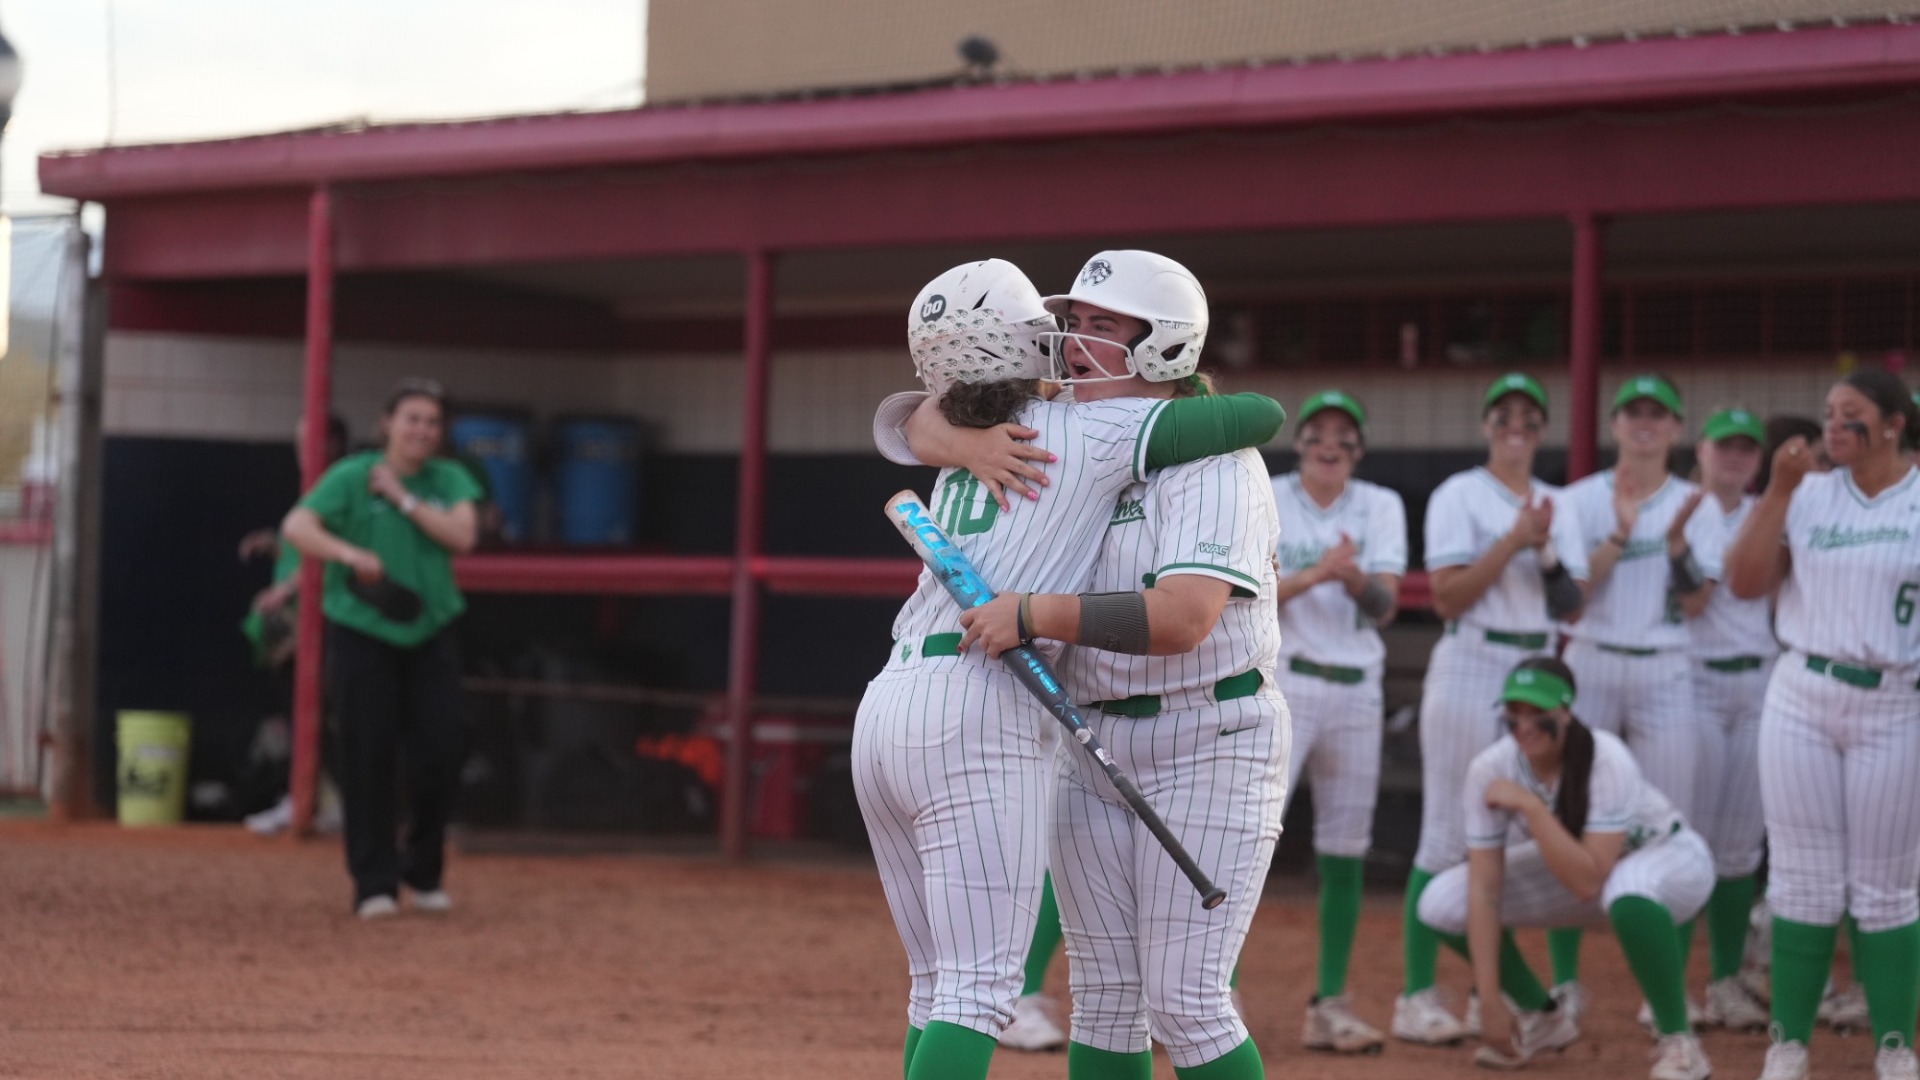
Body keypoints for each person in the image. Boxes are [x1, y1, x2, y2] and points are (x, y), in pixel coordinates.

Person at [861, 255, 1285, 1080]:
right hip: (1085, 731)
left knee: (1187, 1001)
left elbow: (1187, 619)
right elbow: (912, 423)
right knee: (1103, 992)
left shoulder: (1212, 461)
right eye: (1075, 322)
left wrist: (1035, 611)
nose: (1075, 341)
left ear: (1162, 346)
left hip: (1210, 733)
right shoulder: (1051, 418)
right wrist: (962, 436)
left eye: (1103, 325)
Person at [1724, 369, 1920, 1080]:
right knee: (1802, 884)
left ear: (1894, 424)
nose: (1832, 426)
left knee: (1886, 888)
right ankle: (1789, 1047)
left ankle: (1895, 1048)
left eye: (1851, 415)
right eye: (1829, 413)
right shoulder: (1805, 494)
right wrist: (1776, 491)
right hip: (1802, 689)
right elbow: (1744, 582)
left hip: (1896, 697)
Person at [1398, 372, 1589, 1045]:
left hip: (1534, 667)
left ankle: (1490, 991)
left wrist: (1543, 546)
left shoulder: (1559, 502)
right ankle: (1416, 994)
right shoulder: (1459, 494)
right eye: (1504, 415)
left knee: (1508, 840)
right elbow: (1448, 598)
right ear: (1487, 426)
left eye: (1529, 418)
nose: (1517, 426)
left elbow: (1573, 605)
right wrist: (1512, 540)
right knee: (1446, 835)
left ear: (1542, 431)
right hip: (1471, 658)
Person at [1417, 657, 1717, 1080]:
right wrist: (1489, 998)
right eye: (1515, 713)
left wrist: (1532, 806)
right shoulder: (1490, 767)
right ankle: (1544, 1019)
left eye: (1538, 713)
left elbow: (1586, 881)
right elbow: (1484, 889)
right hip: (1591, 869)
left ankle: (1680, 1043)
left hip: (1669, 859)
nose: (1525, 725)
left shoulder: (1606, 756)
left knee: (1628, 891)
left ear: (1567, 710)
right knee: (1441, 902)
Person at [281, 378, 482, 919]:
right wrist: (347, 554)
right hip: (363, 632)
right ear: (387, 424)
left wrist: (402, 498)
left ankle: (424, 868)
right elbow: (298, 525)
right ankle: (374, 882)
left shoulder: (449, 479)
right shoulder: (349, 476)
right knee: (365, 755)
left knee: (441, 750)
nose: (421, 430)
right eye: (412, 418)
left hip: (431, 630)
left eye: (432, 422)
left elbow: (463, 536)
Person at [1553, 374, 1707, 1014]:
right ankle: (1565, 980)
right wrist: (1619, 533)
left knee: (1673, 819)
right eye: (1633, 413)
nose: (1645, 424)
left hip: (1667, 664)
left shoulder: (1697, 500)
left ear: (1675, 428)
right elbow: (1574, 604)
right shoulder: (1579, 500)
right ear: (1614, 425)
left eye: (1658, 414)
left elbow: (1699, 601)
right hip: (1592, 660)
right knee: (1571, 813)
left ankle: (1662, 992)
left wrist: (1673, 546)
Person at [1265, 388, 1406, 1052]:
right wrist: (1320, 571)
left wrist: (1348, 578)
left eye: (1343, 437)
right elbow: (1251, 591)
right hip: (1287, 678)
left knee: (1346, 851)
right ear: (1301, 444)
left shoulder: (1380, 505)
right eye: (1318, 432)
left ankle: (1331, 1003)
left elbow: (1384, 605)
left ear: (1357, 450)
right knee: (1251, 841)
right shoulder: (1269, 492)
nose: (1329, 444)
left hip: (1357, 687)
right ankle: (1214, 993)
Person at [1675, 408, 1776, 1031]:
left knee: (1740, 849)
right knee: (1688, 844)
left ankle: (1724, 982)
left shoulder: (1773, 512)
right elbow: (1694, 600)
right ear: (1702, 451)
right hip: (1696, 680)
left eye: (1747, 449)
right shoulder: (1683, 506)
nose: (1736, 459)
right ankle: (1667, 987)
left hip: (1760, 680)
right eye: (1725, 447)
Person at [239, 413, 349, 836]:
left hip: (328, 622)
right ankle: (311, 797)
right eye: (300, 441)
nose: (305, 451)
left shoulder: (340, 485)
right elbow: (301, 541)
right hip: (296, 624)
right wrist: (273, 544)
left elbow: (336, 547)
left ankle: (325, 800)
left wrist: (287, 590)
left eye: (315, 441)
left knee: (322, 715)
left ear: (335, 444)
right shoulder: (312, 489)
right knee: (299, 711)